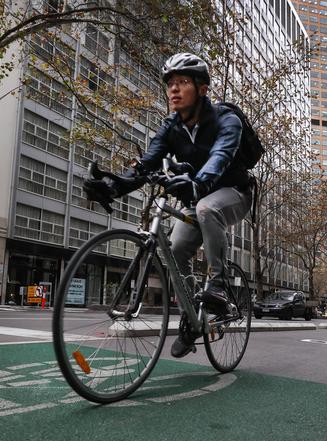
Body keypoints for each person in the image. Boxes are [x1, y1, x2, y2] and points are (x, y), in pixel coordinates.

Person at [84, 52, 252, 358]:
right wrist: (115, 186)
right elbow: (146, 164)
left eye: (183, 82)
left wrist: (198, 183)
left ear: (202, 89)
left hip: (233, 193)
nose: (173, 89)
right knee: (175, 249)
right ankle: (191, 319)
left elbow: (221, 156)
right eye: (170, 83)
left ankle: (218, 286)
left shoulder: (227, 120)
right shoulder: (170, 126)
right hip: (197, 194)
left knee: (206, 209)